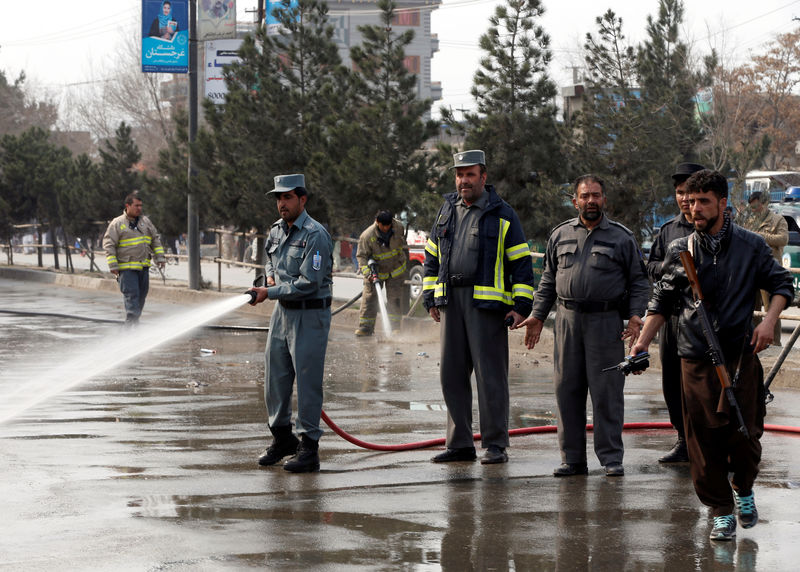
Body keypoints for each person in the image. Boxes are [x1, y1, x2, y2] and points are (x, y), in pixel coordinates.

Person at [631, 169, 793, 541]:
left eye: (704, 201)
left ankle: (744, 489)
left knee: (746, 434)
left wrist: (768, 322)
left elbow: (782, 285)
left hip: (740, 354)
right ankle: (721, 509)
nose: (695, 208)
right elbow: (663, 300)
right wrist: (642, 342)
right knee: (701, 440)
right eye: (691, 201)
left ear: (723, 203)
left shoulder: (752, 245)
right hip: (695, 357)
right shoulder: (680, 249)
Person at [517, 175, 649, 477]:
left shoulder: (621, 238)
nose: (591, 201)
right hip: (566, 322)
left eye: (597, 195)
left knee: (607, 393)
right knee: (567, 391)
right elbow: (548, 280)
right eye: (585, 195)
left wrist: (635, 316)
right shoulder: (560, 235)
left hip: (605, 323)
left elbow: (639, 281)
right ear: (575, 200)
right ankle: (572, 459)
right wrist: (537, 316)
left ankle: (611, 459)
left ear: (604, 199)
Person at [423, 150, 535, 465]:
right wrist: (431, 298)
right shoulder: (446, 211)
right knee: (451, 375)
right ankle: (460, 444)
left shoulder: (503, 214)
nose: (463, 181)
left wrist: (521, 305)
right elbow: (432, 258)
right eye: (459, 175)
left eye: (470, 174)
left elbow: (522, 264)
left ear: (483, 177)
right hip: (451, 304)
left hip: (487, 307)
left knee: (490, 378)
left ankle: (495, 444)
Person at [247, 174, 333, 474]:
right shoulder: (276, 231)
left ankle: (309, 448)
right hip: (282, 313)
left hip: (309, 314)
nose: (281, 203)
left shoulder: (315, 235)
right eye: (278, 198)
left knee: (307, 383)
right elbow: (271, 260)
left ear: (302, 199)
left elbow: (309, 282)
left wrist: (268, 292)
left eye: (287, 197)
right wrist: (270, 277)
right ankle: (282, 438)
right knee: (276, 377)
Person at [647, 162, 705, 463]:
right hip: (671, 318)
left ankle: (706, 442)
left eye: (690, 193)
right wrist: (673, 268)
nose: (684, 199)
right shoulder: (668, 230)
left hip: (702, 320)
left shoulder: (710, 225)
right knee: (672, 382)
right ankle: (683, 439)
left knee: (702, 383)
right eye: (680, 193)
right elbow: (652, 266)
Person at [103, 192, 166, 325]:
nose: (139, 208)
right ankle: (130, 329)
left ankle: (133, 325)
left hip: (143, 268)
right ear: (128, 206)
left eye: (141, 206)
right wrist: (113, 266)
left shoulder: (145, 222)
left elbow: (155, 239)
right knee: (132, 297)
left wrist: (160, 257)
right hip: (126, 269)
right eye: (136, 205)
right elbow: (109, 244)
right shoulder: (117, 223)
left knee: (140, 299)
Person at [738, 190, 789, 346]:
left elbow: (783, 239)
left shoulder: (777, 219)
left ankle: (774, 344)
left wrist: (760, 236)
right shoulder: (748, 221)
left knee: (770, 309)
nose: (754, 210)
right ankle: (753, 341)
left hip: (769, 271)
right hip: (751, 270)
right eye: (751, 207)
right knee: (752, 308)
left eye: (756, 206)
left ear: (764, 203)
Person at [354, 210, 409, 336]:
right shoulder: (367, 236)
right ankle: (365, 328)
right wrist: (368, 274)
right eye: (383, 225)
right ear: (377, 222)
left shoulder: (399, 227)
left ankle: (395, 328)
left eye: (388, 225)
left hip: (395, 270)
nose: (386, 228)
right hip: (375, 273)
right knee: (369, 299)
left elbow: (400, 243)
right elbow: (361, 257)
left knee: (395, 300)